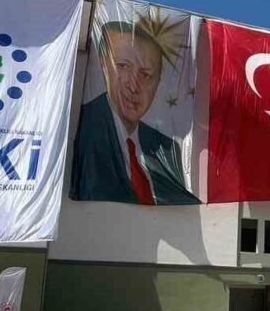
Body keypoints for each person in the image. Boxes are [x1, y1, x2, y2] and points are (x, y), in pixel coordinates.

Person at [70, 18, 199, 205]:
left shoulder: (167, 148)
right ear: (103, 65)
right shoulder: (85, 127)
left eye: (146, 75)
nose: (134, 86)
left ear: (158, 83)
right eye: (123, 66)